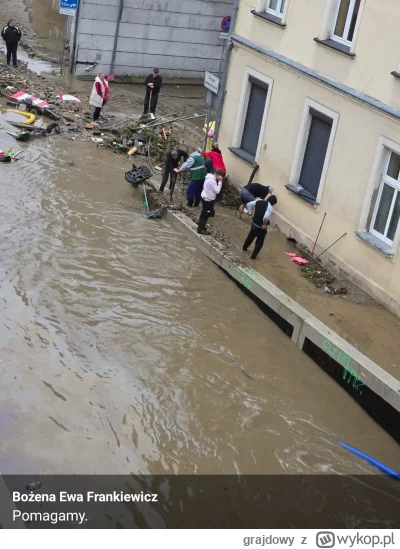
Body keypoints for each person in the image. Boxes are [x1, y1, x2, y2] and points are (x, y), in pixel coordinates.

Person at [242, 195, 278, 260]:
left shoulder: (259, 201)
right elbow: (266, 217)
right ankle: (253, 257)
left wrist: (250, 214)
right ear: (273, 203)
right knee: (259, 242)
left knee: (250, 237)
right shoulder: (269, 207)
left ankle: (244, 248)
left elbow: (248, 204)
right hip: (261, 228)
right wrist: (264, 224)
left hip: (254, 224)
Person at [197, 169, 225, 235]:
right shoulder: (212, 180)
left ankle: (201, 226)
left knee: (206, 212)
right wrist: (220, 182)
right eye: (221, 177)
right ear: (218, 175)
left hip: (206, 197)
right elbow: (217, 191)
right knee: (206, 213)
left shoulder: (209, 177)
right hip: (207, 199)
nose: (221, 178)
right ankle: (200, 229)